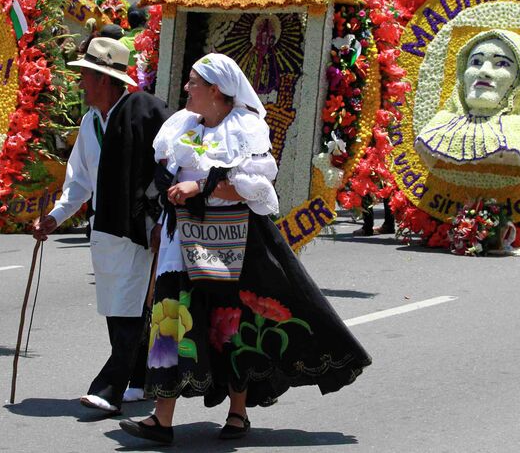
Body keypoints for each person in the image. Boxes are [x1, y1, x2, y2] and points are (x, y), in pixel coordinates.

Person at [118, 54, 371, 444]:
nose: (187, 89)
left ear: (216, 90)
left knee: (230, 323)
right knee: (169, 318)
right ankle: (161, 418)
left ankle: (238, 412)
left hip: (230, 240)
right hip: (179, 240)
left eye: (194, 82)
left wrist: (200, 188)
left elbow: (257, 189)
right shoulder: (179, 127)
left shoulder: (245, 129)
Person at [33, 37, 170, 413]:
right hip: (104, 230)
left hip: (139, 229)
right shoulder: (91, 121)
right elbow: (79, 181)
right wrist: (55, 217)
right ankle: (142, 379)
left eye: (87, 76)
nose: (81, 84)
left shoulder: (146, 112)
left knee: (129, 308)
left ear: (106, 79)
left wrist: (162, 219)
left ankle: (109, 388)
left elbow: (169, 167)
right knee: (118, 307)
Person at [414, 29, 520, 181]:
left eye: (501, 63)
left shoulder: (519, 130)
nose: (484, 72)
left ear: (519, 78)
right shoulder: (437, 126)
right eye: (476, 62)